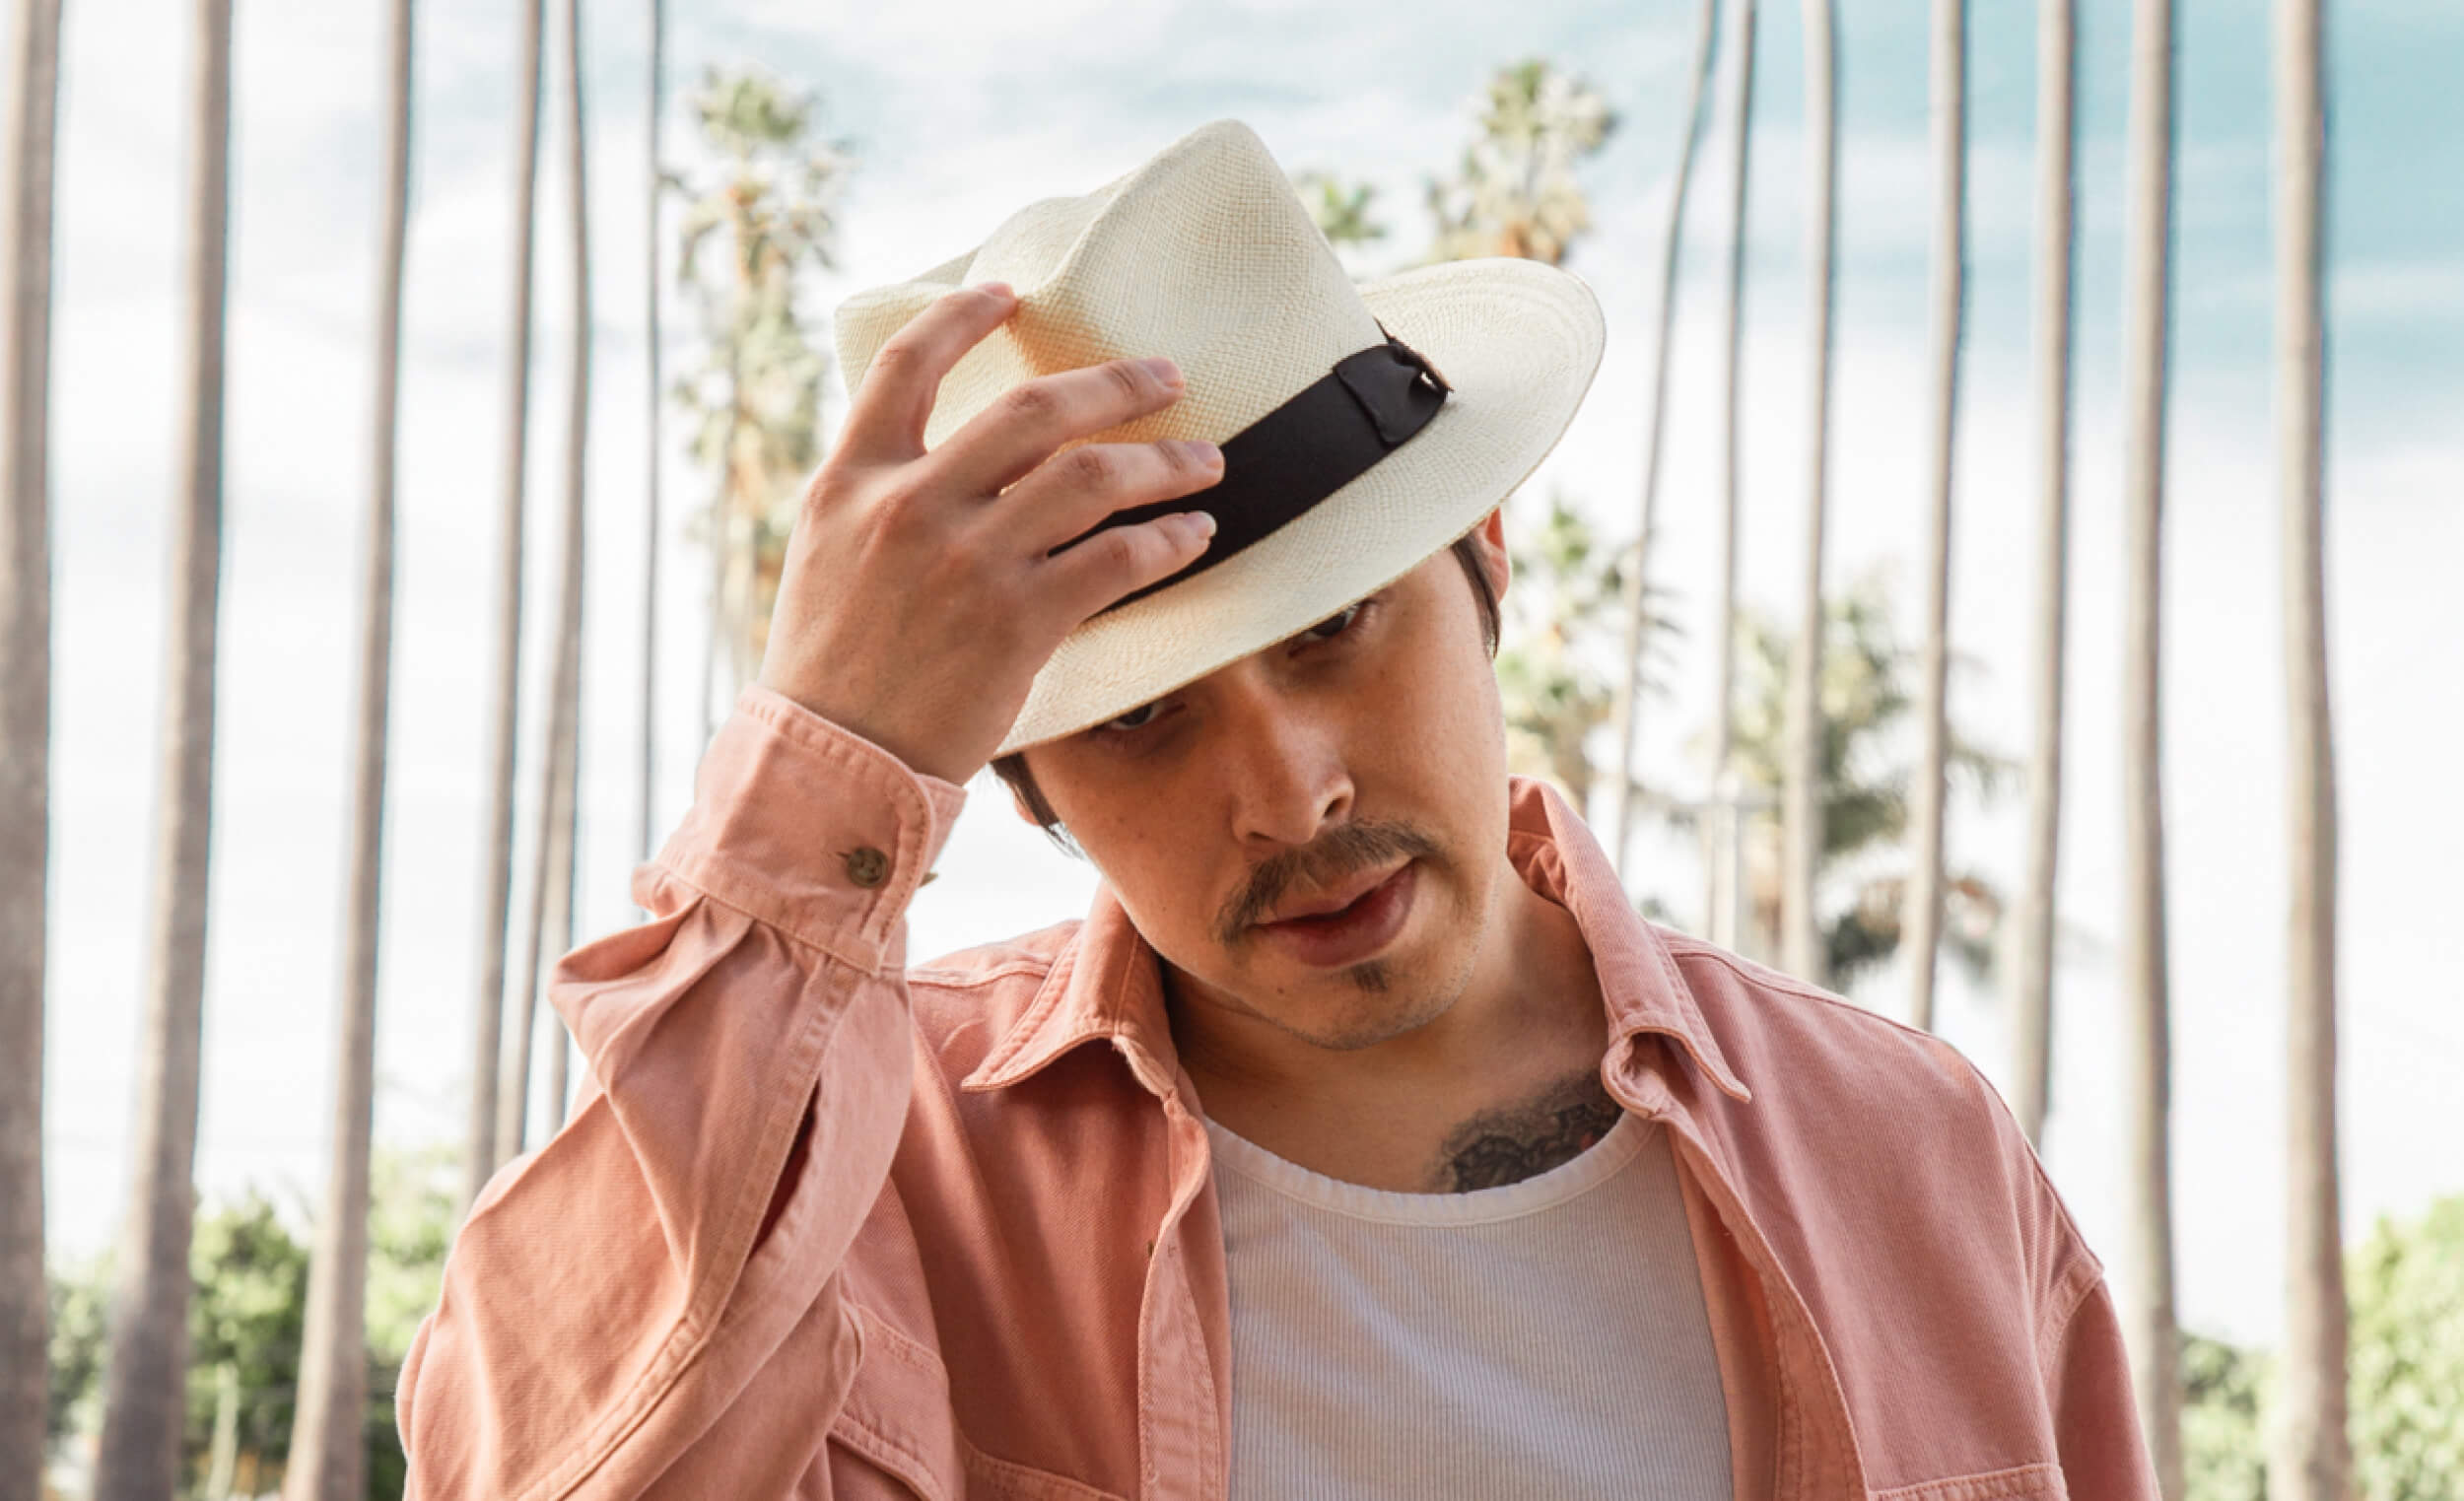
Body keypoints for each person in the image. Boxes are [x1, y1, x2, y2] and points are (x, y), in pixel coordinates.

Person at [400, 120, 2157, 1501]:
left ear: (1483, 564)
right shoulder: (874, 1181)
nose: (1288, 791)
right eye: (1145, 723)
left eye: (1337, 628)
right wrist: (828, 763)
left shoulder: (1910, 1157)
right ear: (1021, 791)